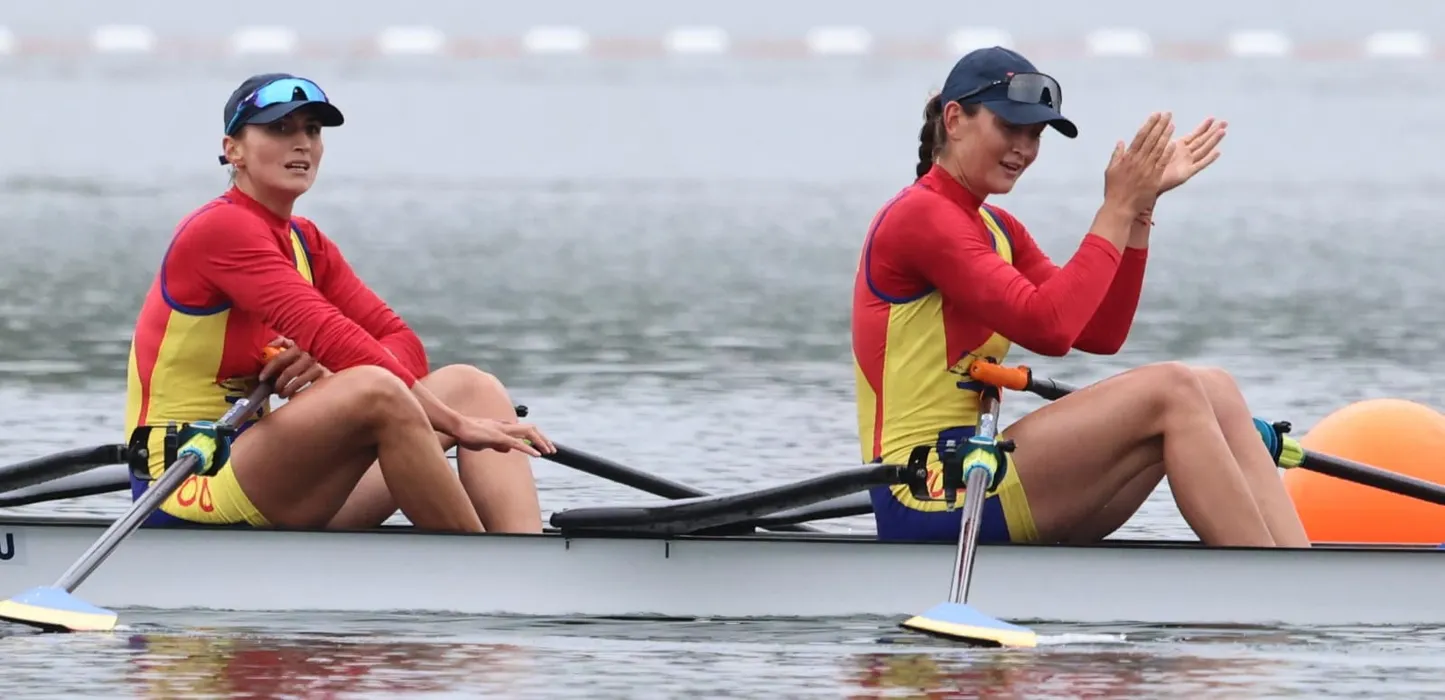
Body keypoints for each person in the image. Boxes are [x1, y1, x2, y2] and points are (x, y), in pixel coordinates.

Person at [851, 47, 1311, 548]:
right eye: (1010, 127)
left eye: (1035, 135)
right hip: (926, 490)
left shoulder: (998, 227)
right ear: (955, 120)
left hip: (980, 471)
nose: (1023, 148)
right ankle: (1265, 580)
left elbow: (1100, 332)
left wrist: (1139, 210)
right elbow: (1048, 328)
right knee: (1174, 389)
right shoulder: (919, 216)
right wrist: (1116, 207)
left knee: (1215, 387)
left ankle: (1292, 567)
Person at [124, 73, 555, 534]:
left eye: (311, 130)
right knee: (376, 388)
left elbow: (402, 344)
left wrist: (329, 369)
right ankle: (480, 565)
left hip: (267, 467)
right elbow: (328, 332)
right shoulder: (220, 230)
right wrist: (456, 425)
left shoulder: (305, 242)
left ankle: (521, 553)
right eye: (279, 128)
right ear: (234, 150)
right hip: (184, 481)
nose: (302, 144)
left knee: (473, 388)